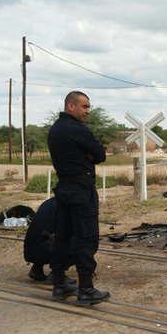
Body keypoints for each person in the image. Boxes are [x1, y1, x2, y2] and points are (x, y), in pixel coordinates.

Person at [48, 91, 109, 305]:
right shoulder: (77, 130)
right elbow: (100, 154)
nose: (87, 111)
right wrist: (89, 156)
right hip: (81, 190)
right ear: (70, 106)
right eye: (84, 107)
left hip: (64, 188)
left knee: (62, 236)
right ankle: (86, 289)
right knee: (86, 238)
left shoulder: (55, 129)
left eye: (88, 107)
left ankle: (59, 283)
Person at [24, 197, 75, 286]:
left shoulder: (49, 202)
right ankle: (57, 274)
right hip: (44, 248)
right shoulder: (67, 206)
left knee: (45, 235)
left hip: (30, 250)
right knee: (80, 242)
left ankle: (36, 269)